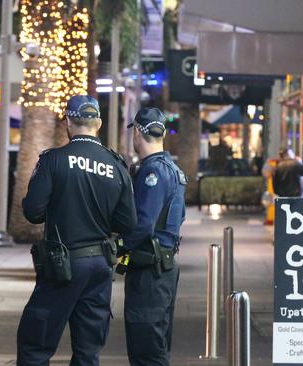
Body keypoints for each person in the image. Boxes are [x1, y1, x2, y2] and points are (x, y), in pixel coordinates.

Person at [17, 95, 137, 366]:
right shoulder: (116, 165)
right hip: (100, 265)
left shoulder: (54, 160)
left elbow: (33, 212)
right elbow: (128, 223)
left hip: (63, 263)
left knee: (36, 342)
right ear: (99, 123)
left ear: (69, 122)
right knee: (87, 350)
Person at [121, 107, 187, 366]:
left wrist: (117, 246)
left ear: (137, 132)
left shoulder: (153, 173)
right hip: (164, 267)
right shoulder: (173, 170)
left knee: (146, 348)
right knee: (156, 342)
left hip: (150, 269)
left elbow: (143, 224)